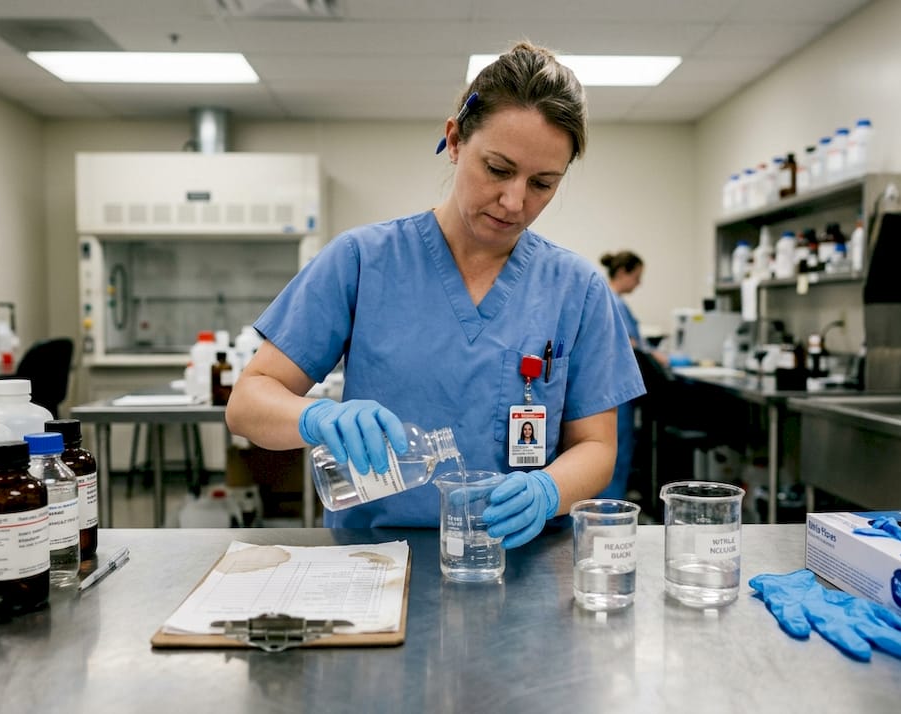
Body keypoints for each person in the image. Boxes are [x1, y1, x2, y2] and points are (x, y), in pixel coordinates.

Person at [227, 41, 644, 548]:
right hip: (376, 559)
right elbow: (247, 403)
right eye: (497, 169)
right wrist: (316, 417)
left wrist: (547, 488)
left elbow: (598, 447)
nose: (514, 201)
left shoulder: (576, 290)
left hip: (517, 559)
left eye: (542, 183)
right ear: (454, 140)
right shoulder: (362, 261)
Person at [598, 251, 668, 501]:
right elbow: (627, 342)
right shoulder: (613, 302)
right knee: (614, 455)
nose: (639, 283)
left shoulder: (613, 300)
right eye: (637, 277)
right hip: (615, 391)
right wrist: (652, 353)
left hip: (614, 389)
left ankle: (610, 509)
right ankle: (608, 515)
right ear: (622, 273)